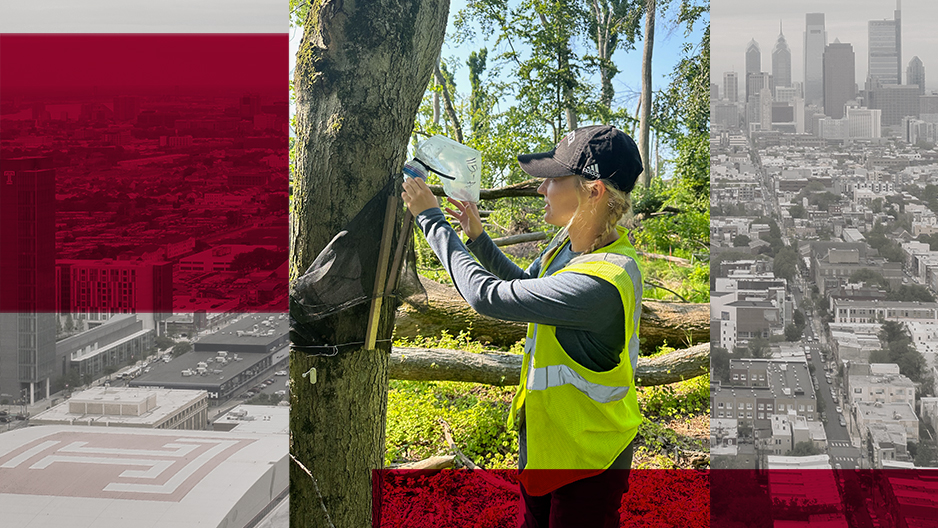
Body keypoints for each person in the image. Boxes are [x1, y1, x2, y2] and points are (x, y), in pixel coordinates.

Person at [401, 125, 643, 528]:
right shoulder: (569, 245)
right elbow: (527, 288)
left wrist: (430, 218)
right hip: (549, 445)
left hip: (590, 460)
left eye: (553, 179)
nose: (540, 189)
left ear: (594, 191)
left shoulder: (601, 282)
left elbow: (488, 296)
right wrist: (478, 239)